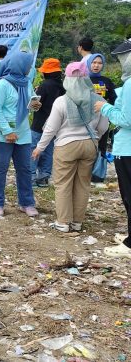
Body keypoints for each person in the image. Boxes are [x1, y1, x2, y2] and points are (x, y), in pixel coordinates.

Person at [33, 62, 108, 232]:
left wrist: (40, 147)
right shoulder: (99, 100)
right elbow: (103, 127)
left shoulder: (62, 101)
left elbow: (51, 128)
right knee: (82, 184)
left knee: (64, 184)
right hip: (90, 145)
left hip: (66, 146)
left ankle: (63, 222)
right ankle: (77, 222)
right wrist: (94, 139)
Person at [0, 52, 41, 217]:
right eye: (27, 65)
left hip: (23, 133)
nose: (29, 68)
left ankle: (26, 202)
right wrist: (7, 131)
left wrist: (35, 105)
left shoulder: (26, 83)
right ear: (19, 65)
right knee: (0, 168)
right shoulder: (2, 85)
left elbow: (28, 103)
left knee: (25, 169)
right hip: (2, 134)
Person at [96, 38, 131, 257]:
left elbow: (126, 119)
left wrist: (105, 107)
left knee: (128, 194)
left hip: (127, 149)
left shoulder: (129, 84)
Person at [79, 37, 117, 188]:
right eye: (94, 62)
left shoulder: (107, 81)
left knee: (101, 146)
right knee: (85, 146)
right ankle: (83, 175)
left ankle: (98, 177)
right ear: (89, 64)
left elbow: (114, 99)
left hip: (103, 120)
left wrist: (107, 106)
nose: (96, 65)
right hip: (85, 119)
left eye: (99, 63)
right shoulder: (82, 79)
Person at [30, 58, 67, 187]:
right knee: (48, 150)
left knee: (34, 148)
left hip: (39, 123)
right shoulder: (63, 86)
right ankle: (44, 177)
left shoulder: (45, 85)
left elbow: (36, 103)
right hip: (55, 124)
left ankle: (32, 177)